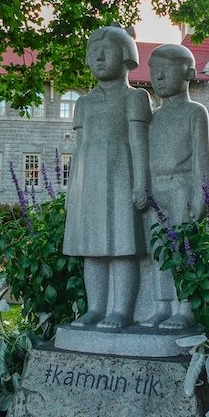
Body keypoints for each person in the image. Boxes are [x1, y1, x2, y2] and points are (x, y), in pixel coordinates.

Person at [62, 25, 152, 330]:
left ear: (126, 56)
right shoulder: (83, 103)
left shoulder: (135, 97)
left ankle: (122, 310)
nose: (99, 56)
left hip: (121, 177)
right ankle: (96, 308)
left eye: (107, 50)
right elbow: (78, 148)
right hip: (88, 181)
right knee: (93, 249)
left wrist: (141, 182)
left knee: (123, 245)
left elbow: (140, 142)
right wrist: (72, 190)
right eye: (92, 51)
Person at [141, 44, 209, 329]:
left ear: (189, 73)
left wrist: (201, 193)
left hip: (182, 186)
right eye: (154, 71)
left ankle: (184, 307)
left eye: (166, 71)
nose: (159, 77)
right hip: (155, 190)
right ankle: (162, 306)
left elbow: (202, 158)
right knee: (157, 251)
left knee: (182, 249)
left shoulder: (196, 112)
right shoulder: (152, 117)